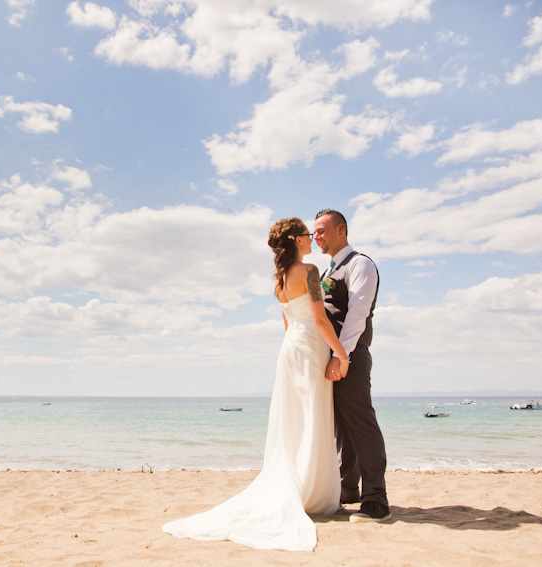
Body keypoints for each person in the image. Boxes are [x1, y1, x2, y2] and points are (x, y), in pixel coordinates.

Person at [162, 217, 348, 551]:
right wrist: (341, 354)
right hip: (309, 347)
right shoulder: (309, 272)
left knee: (293, 420)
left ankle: (300, 485)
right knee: (312, 417)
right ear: (295, 239)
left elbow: (288, 323)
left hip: (290, 349)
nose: (310, 239)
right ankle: (312, 491)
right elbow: (319, 319)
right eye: (307, 234)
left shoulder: (278, 282)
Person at [313, 208, 390, 522]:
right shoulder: (327, 270)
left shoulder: (360, 264)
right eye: (314, 232)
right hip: (332, 358)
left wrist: (340, 356)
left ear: (340, 230)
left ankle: (376, 499)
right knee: (342, 428)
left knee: (361, 424)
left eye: (321, 231)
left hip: (349, 357)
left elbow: (357, 315)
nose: (315, 236)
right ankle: (348, 490)